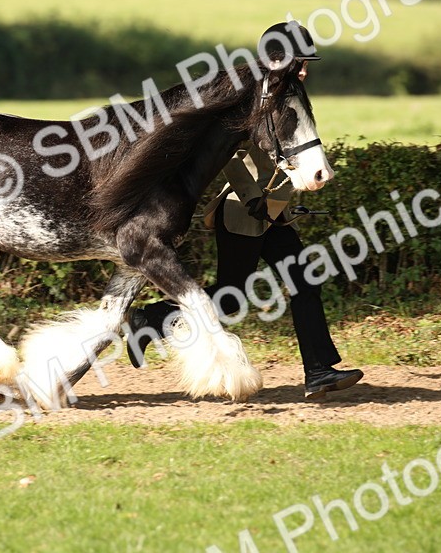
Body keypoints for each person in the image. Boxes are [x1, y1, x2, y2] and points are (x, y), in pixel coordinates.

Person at [124, 20, 364, 399]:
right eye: (299, 62)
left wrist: (282, 203)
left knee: (304, 282)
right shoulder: (251, 97)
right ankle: (151, 318)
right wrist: (254, 197)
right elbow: (229, 156)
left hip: (273, 215)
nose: (304, 70)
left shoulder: (286, 96)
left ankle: (319, 371)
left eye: (306, 63)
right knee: (232, 298)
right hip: (242, 215)